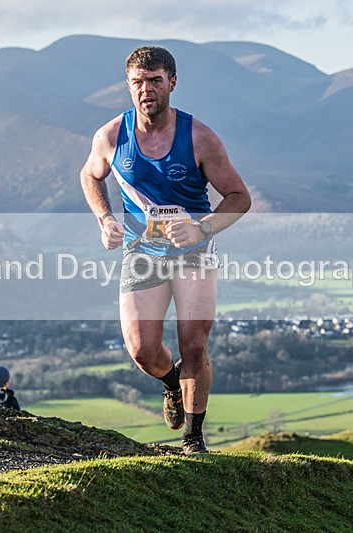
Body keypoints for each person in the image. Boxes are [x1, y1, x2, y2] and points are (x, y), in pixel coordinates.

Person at [80, 46, 251, 455]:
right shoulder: (110, 136)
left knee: (194, 345)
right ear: (128, 87)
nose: (146, 90)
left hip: (194, 251)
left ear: (172, 82)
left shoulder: (200, 137)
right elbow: (90, 175)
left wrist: (201, 228)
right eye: (138, 82)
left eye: (155, 80)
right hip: (141, 252)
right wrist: (104, 218)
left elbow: (238, 197)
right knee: (141, 349)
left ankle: (194, 440)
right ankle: (172, 383)